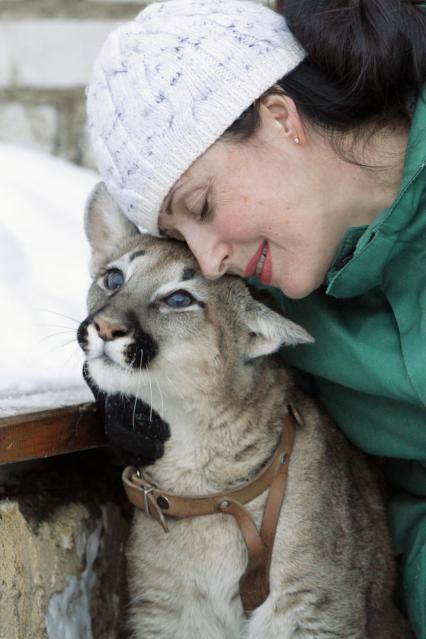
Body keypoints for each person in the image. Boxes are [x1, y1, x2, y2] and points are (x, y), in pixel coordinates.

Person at [85, 0, 426, 635]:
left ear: (279, 118)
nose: (211, 261)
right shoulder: (270, 299)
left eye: (204, 204)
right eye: (180, 235)